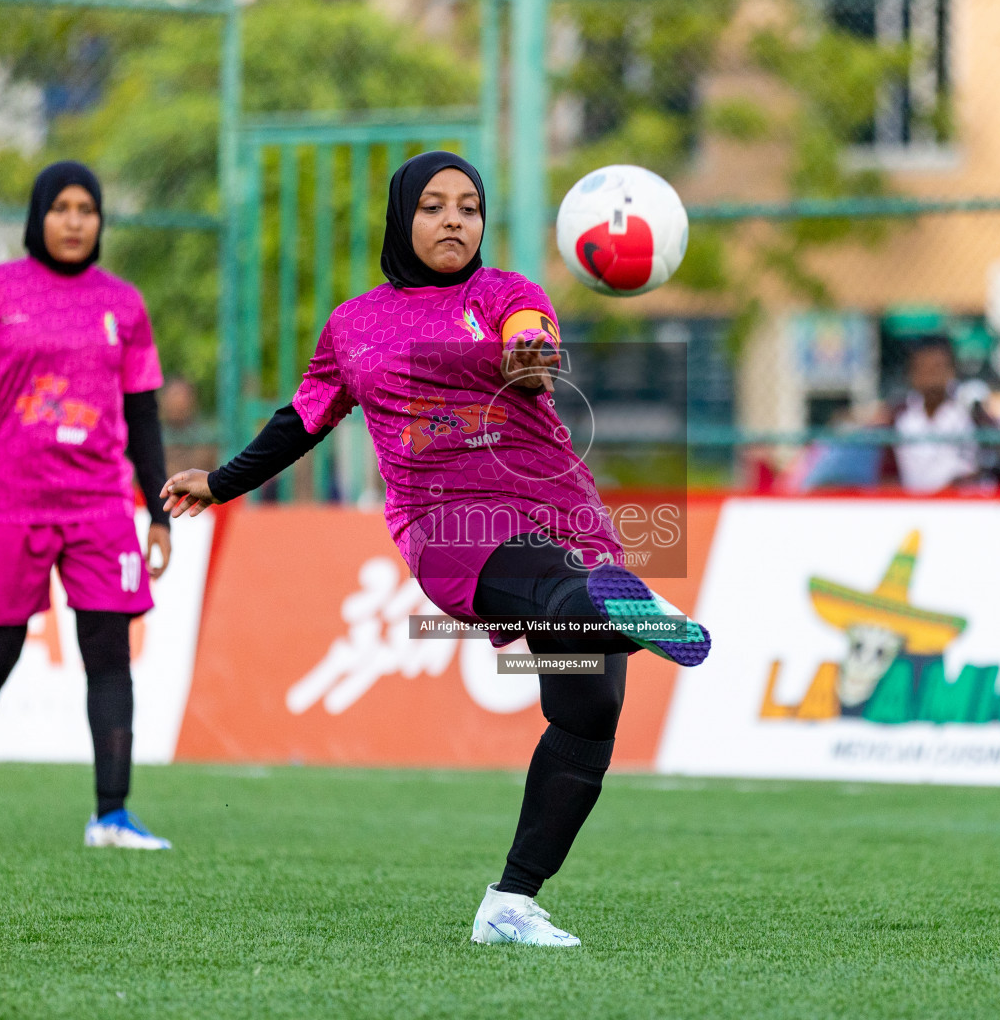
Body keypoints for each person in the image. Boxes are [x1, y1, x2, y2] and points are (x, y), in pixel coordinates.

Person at [161, 151, 711, 947]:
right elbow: (302, 419)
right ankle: (622, 607)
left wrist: (530, 354)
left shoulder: (506, 295)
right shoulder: (353, 325)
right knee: (564, 590)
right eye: (433, 205)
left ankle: (510, 903)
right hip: (452, 527)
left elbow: (533, 336)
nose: (454, 219)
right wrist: (220, 481)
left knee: (587, 712)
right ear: (401, 219)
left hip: (562, 510)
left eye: (469, 206)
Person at [0, 161, 174, 851]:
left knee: (110, 657)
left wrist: (157, 510)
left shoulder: (124, 303)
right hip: (10, 504)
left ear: (100, 221)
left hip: (100, 508)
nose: (73, 220)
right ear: (39, 215)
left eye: (86, 209)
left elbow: (143, 413)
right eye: (60, 207)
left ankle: (111, 815)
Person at [887, 337, 1000, 492]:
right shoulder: (899, 415)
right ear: (912, 374)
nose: (931, 378)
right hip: (915, 507)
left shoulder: (969, 407)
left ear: (951, 370)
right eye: (924, 369)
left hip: (962, 503)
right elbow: (888, 475)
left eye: (937, 368)